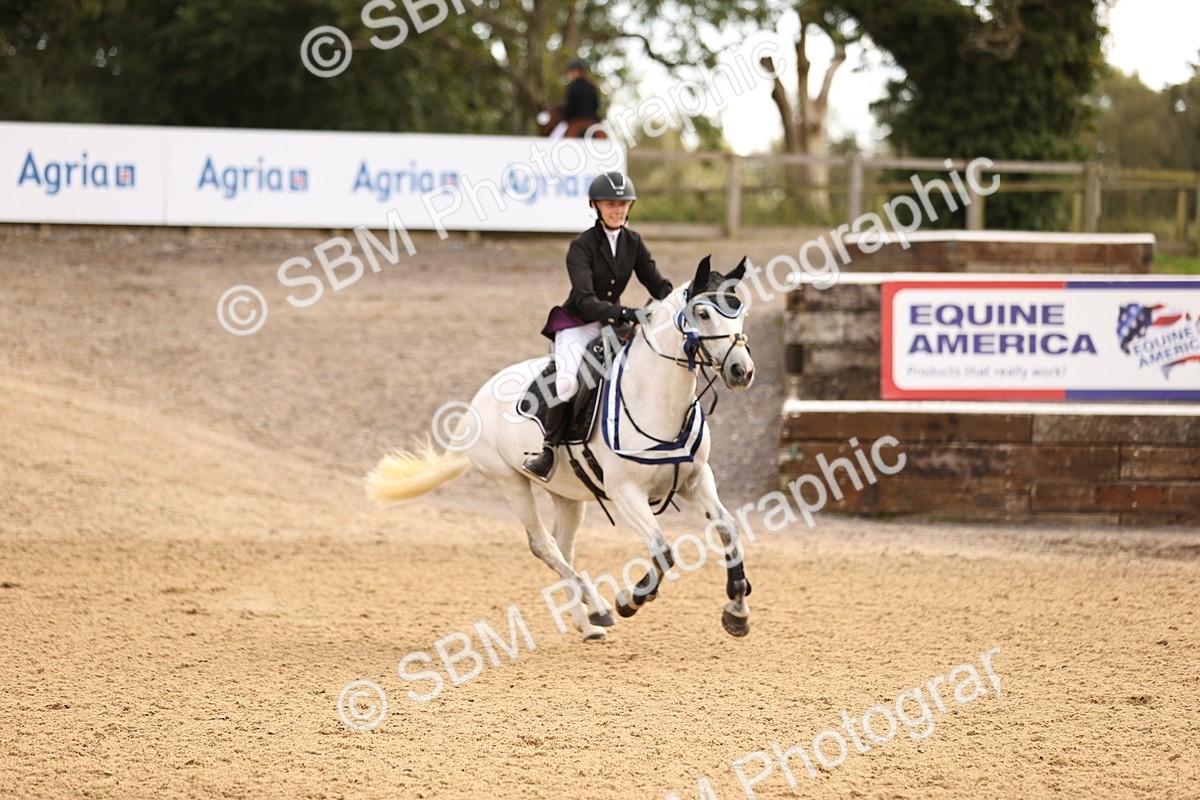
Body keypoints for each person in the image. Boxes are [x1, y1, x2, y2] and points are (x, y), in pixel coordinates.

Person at [523, 171, 673, 481]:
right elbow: (585, 299)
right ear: (595, 206)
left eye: (622, 204)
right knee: (566, 383)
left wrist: (679, 300)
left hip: (612, 326)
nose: (617, 210)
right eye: (610, 204)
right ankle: (549, 449)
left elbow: (658, 284)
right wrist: (627, 312)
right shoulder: (581, 246)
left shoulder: (633, 242)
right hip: (578, 323)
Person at [550, 58, 601, 139]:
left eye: (570, 72)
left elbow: (570, 108)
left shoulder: (573, 87)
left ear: (577, 72)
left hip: (576, 120)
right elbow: (596, 105)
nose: (569, 74)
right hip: (593, 120)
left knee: (554, 137)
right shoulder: (592, 87)